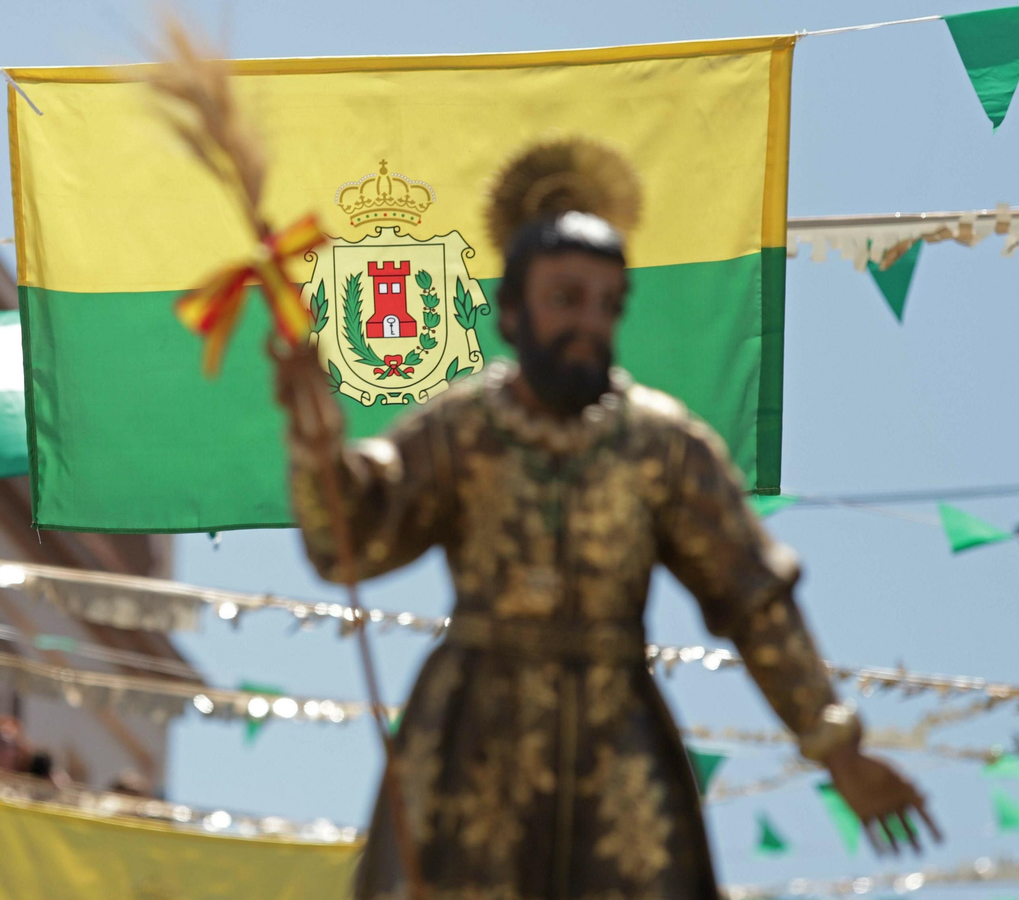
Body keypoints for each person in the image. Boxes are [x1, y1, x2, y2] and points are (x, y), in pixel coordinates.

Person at [273, 137, 939, 899]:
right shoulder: (461, 430)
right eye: (566, 299)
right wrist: (317, 446)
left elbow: (753, 596)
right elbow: (352, 542)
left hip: (614, 743)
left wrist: (835, 747)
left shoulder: (666, 446)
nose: (588, 323)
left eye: (606, 305)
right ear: (512, 313)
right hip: (472, 741)